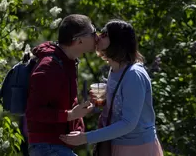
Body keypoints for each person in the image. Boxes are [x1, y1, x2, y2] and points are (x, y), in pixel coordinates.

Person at [59, 20, 164, 156]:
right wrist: (104, 101)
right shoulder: (114, 69)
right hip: (116, 144)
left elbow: (128, 123)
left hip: (138, 147)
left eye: (105, 34)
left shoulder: (133, 74)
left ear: (117, 40)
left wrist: (86, 137)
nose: (97, 36)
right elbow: (121, 108)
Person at [25, 14, 97, 156]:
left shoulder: (68, 62)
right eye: (93, 32)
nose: (97, 37)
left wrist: (78, 122)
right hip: (46, 147)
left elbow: (64, 105)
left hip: (58, 146)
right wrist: (69, 115)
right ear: (79, 40)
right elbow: (32, 112)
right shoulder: (49, 67)